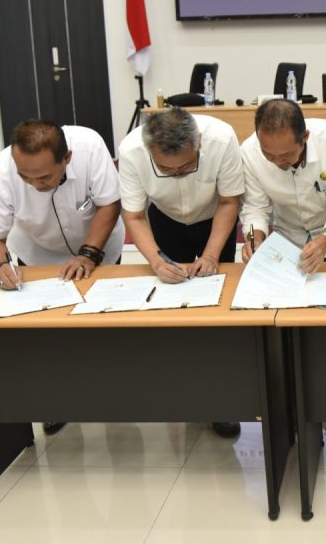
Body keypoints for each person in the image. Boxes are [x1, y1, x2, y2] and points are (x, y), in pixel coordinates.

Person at [0, 120, 125, 436]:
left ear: (66, 158)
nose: (34, 184)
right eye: (25, 177)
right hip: (36, 254)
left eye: (44, 177)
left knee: (105, 329)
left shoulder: (89, 147)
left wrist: (89, 253)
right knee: (47, 338)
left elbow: (109, 204)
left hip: (98, 249)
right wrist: (0, 267)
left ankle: (114, 394)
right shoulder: (1, 171)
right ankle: (58, 403)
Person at [118, 107, 245, 439]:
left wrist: (212, 254)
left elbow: (229, 201)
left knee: (218, 309)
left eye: (186, 166)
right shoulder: (131, 150)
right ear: (150, 150)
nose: (177, 175)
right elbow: (134, 216)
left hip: (215, 219)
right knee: (172, 309)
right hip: (166, 220)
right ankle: (183, 392)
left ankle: (222, 401)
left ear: (198, 142)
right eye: (165, 169)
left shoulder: (222, 138)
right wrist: (156, 260)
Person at [240, 99, 326, 270]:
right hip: (288, 240)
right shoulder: (249, 152)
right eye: (268, 155)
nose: (277, 162)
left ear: (305, 137)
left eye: (285, 155)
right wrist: (253, 239)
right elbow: (255, 208)